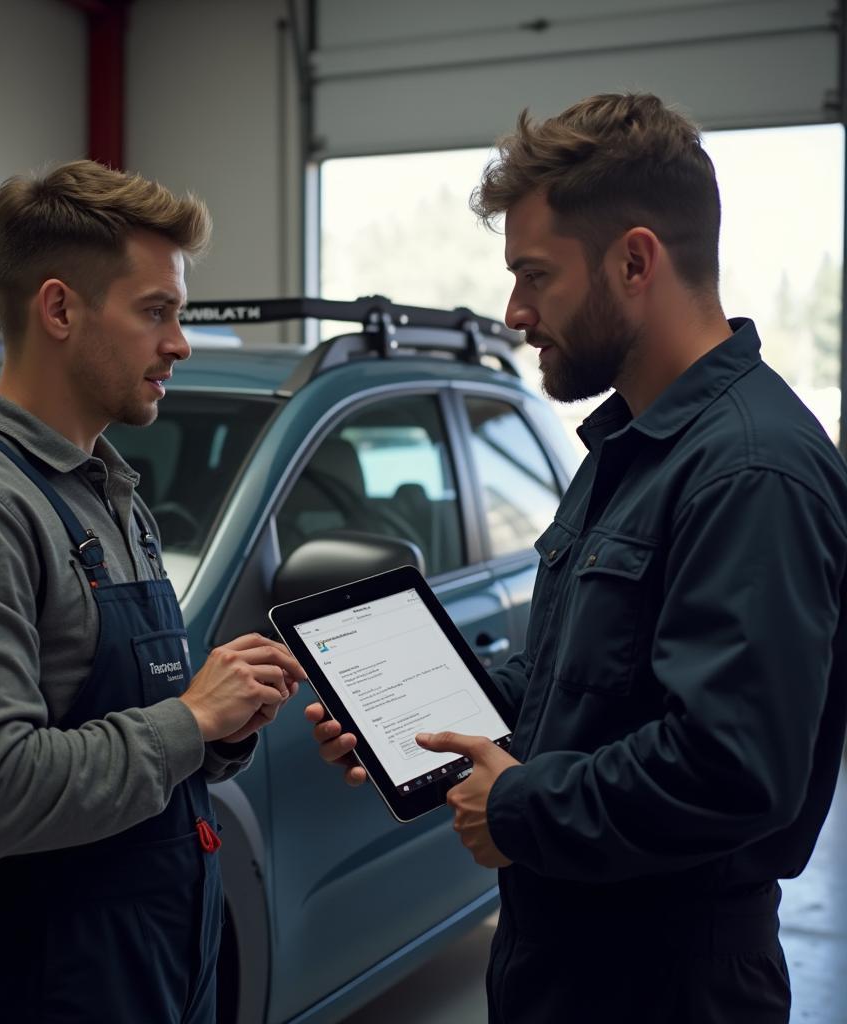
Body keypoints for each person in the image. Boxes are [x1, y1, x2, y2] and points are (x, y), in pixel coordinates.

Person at [307, 93, 847, 1023]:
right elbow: (582, 680)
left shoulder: (751, 470)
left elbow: (734, 768)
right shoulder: (632, 448)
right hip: (568, 955)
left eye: (534, 275)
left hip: (666, 981)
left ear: (635, 260)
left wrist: (520, 808)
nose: (514, 310)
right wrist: (419, 720)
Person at [0, 159, 304, 1023]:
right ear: (59, 308)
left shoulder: (104, 491)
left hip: (157, 957)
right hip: (38, 978)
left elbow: (115, 723)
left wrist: (220, 725)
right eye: (156, 312)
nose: (178, 343)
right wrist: (190, 719)